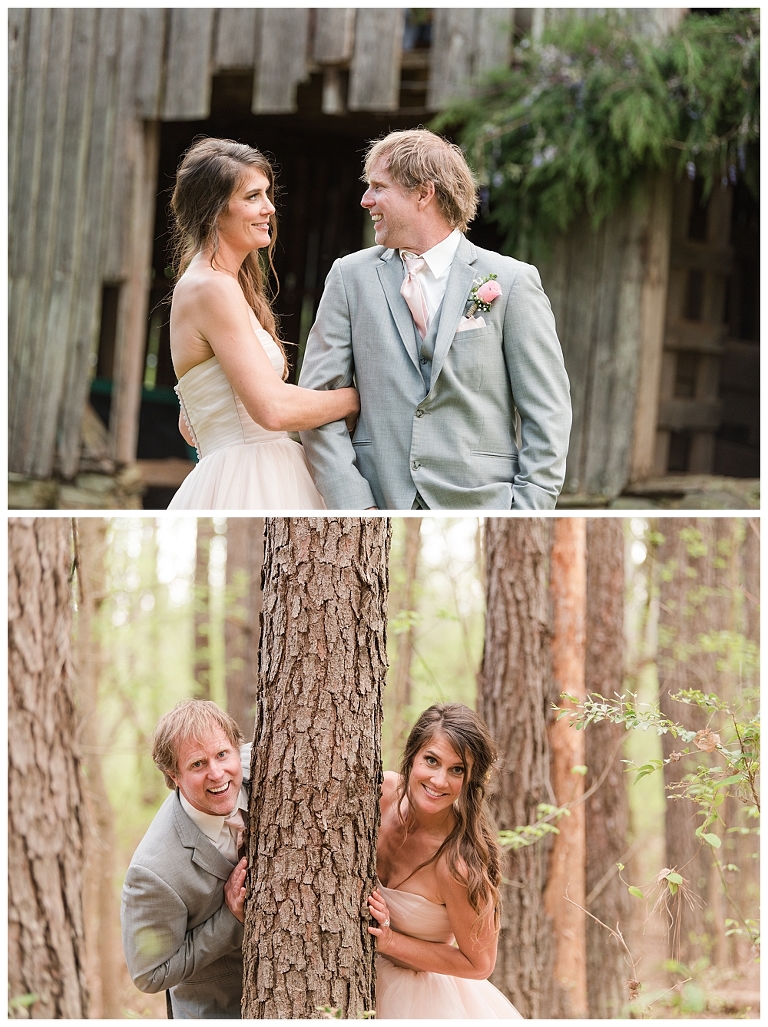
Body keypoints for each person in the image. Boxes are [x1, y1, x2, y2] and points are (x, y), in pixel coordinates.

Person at [299, 128, 571, 511]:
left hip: (483, 502)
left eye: (379, 187)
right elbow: (318, 402)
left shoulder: (511, 281)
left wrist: (527, 511)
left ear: (424, 193)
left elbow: (547, 411)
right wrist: (355, 504)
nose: (365, 200)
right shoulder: (349, 277)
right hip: (378, 500)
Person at [167, 137, 359, 510]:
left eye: (267, 194)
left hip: (236, 468)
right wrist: (354, 399)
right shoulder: (212, 288)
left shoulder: (209, 284)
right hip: (252, 477)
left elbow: (189, 427)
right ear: (214, 210)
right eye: (252, 197)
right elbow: (274, 410)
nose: (269, 208)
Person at [367, 704, 522, 1018]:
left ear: (470, 780)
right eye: (432, 760)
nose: (439, 780)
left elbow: (480, 964)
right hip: (355, 975)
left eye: (457, 769)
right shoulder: (380, 795)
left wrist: (390, 941)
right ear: (412, 755)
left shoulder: (459, 865)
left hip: (422, 1001)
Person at [121, 700, 251, 1018]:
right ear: (173, 776)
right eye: (197, 764)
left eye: (222, 754)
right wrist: (230, 920)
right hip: (216, 1012)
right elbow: (149, 974)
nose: (217, 773)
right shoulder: (153, 872)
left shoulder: (277, 759)